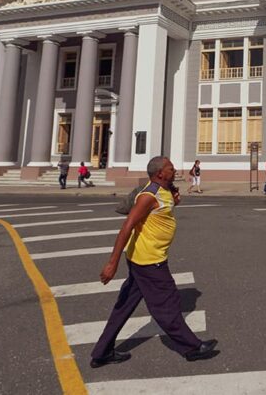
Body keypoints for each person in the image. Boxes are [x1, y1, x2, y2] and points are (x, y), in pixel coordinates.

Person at [90, 156, 218, 368]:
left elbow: (161, 212)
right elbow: (127, 226)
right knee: (167, 305)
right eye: (170, 168)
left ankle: (102, 352)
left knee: (123, 307)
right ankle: (192, 348)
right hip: (149, 261)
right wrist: (112, 263)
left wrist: (173, 201)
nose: (174, 169)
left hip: (143, 259)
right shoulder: (148, 195)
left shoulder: (163, 190)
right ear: (160, 173)